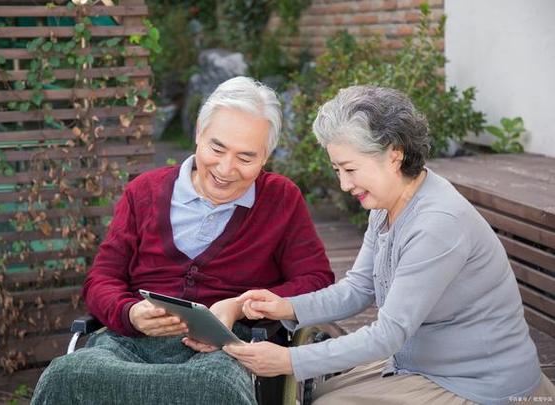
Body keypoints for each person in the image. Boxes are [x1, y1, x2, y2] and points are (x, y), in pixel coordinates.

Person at [224, 85, 555, 405]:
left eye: (351, 169)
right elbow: (358, 288)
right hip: (423, 364)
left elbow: (388, 333)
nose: (344, 184)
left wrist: (289, 360)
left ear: (394, 154)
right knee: (321, 392)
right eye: (337, 169)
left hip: (480, 384)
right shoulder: (387, 206)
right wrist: (285, 306)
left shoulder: (437, 223)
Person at [31, 76, 334, 404]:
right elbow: (102, 279)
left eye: (246, 158)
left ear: (266, 157)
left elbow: (316, 281)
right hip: (129, 342)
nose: (226, 168)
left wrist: (238, 306)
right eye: (216, 148)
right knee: (65, 375)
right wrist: (130, 313)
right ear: (198, 135)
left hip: (227, 349)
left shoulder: (280, 198)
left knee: (214, 386)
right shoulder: (143, 192)